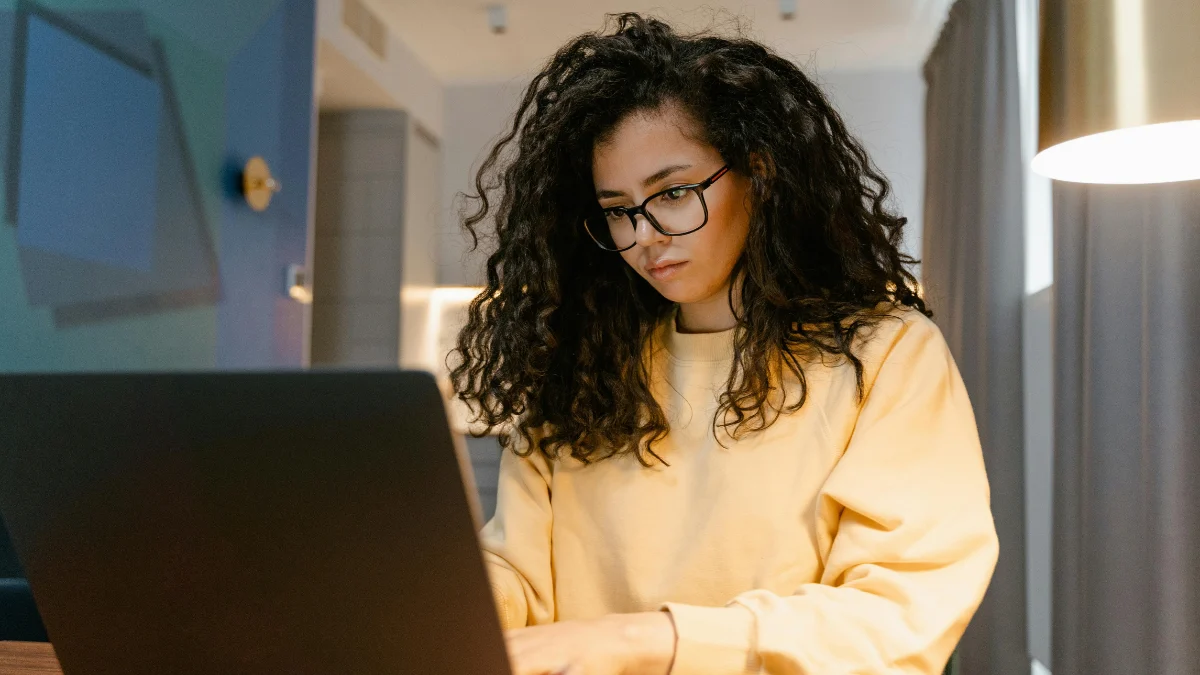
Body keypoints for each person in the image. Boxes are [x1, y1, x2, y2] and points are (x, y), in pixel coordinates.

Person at [450, 13, 998, 675]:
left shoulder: (886, 355)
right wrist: (435, 612)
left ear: (758, 173)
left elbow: (897, 613)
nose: (644, 235)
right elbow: (516, 572)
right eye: (618, 210)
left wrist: (650, 639)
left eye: (674, 193)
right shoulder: (582, 367)